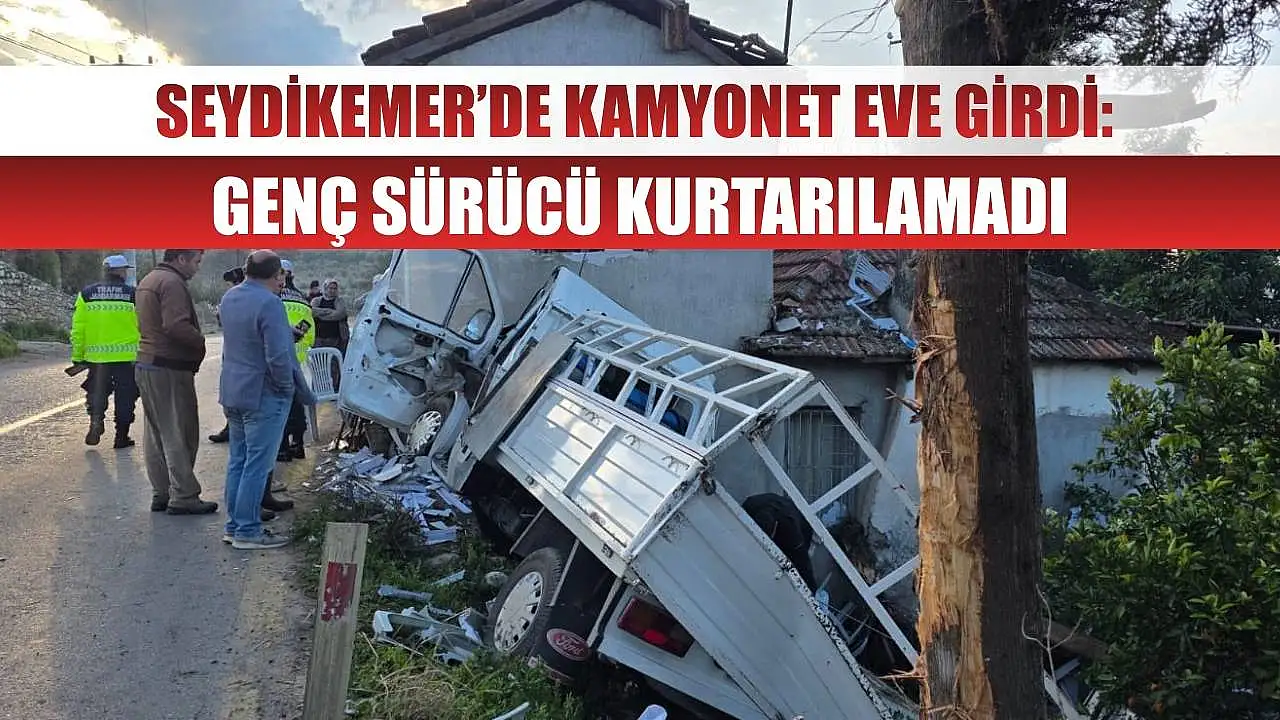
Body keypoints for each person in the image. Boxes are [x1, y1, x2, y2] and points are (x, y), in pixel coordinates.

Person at [218, 250, 314, 550]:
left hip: (234, 390)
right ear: (277, 275)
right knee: (257, 465)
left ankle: (234, 525)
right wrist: (286, 388)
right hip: (264, 394)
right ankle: (248, 531)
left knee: (238, 461)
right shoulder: (270, 303)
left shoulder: (230, 297)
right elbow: (277, 355)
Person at [135, 249, 217, 515]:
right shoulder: (172, 283)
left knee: (156, 433)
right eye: (196, 262)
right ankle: (183, 495)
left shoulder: (150, 279)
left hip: (148, 363)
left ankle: (162, 492)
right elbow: (175, 326)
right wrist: (199, 342)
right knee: (180, 432)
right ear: (181, 259)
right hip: (169, 366)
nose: (197, 268)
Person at [70, 254, 141, 449]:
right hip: (126, 357)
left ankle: (96, 421)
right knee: (126, 396)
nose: (126, 273)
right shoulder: (133, 294)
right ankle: (121, 436)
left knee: (96, 391)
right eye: (125, 270)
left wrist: (78, 356)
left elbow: (78, 328)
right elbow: (143, 325)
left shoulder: (87, 294)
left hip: (97, 358)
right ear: (120, 272)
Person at [277, 259, 314, 463]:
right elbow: (308, 328)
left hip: (280, 358)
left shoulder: (272, 296)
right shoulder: (302, 298)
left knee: (280, 405)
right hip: (300, 358)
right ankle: (298, 444)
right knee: (297, 402)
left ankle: (282, 447)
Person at [209, 266, 246, 445]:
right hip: (233, 351)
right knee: (231, 391)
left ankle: (238, 428)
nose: (230, 287)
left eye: (232, 283)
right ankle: (232, 427)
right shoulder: (233, 299)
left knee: (239, 391)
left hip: (242, 353)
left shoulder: (244, 298)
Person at [310, 277, 349, 391]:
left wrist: (321, 314)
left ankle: (334, 390)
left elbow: (339, 314)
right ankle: (318, 390)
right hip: (318, 339)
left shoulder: (340, 301)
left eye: (334, 288)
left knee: (334, 366)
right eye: (330, 288)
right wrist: (328, 311)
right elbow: (311, 311)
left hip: (336, 340)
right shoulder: (316, 301)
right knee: (318, 366)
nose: (332, 290)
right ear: (325, 289)